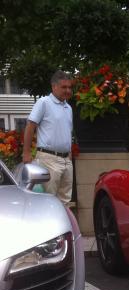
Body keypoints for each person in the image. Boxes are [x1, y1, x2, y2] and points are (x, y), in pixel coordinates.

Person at [22, 70, 74, 204]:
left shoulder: (68, 107)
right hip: (49, 159)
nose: (68, 90)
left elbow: (67, 131)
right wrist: (26, 152)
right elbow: (30, 126)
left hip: (66, 161)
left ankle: (64, 225)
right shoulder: (44, 102)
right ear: (54, 86)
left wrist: (69, 153)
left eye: (69, 87)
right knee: (47, 201)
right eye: (64, 87)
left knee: (65, 201)